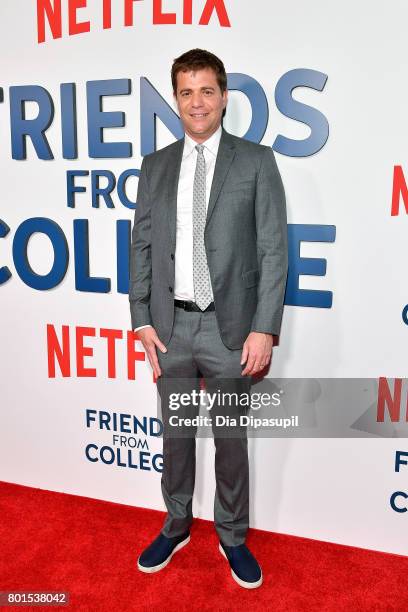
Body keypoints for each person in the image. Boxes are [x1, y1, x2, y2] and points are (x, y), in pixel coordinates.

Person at [129, 48, 288, 589]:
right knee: (174, 433)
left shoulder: (257, 162)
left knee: (229, 438)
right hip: (169, 328)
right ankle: (176, 522)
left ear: (223, 96)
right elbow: (142, 246)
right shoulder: (155, 166)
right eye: (185, 91)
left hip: (231, 329)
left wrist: (265, 327)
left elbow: (272, 250)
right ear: (175, 99)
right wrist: (140, 318)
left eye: (206, 90)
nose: (196, 102)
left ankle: (233, 535)